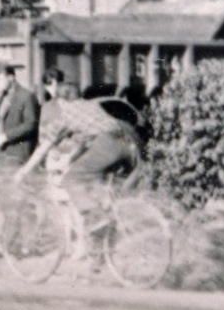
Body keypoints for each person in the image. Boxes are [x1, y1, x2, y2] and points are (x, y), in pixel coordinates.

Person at [13, 82, 140, 256]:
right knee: (100, 191)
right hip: (129, 144)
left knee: (71, 180)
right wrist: (70, 159)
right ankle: (101, 251)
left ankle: (100, 222)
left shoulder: (66, 115)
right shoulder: (92, 106)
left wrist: (23, 171)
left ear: (62, 102)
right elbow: (85, 141)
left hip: (108, 144)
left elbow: (44, 147)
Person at [0, 63, 40, 253]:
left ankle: (20, 247)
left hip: (16, 155)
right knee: (8, 203)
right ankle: (15, 246)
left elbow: (31, 123)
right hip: (2, 158)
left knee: (17, 203)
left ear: (11, 77)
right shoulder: (2, 97)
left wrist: (7, 136)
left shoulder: (26, 96)